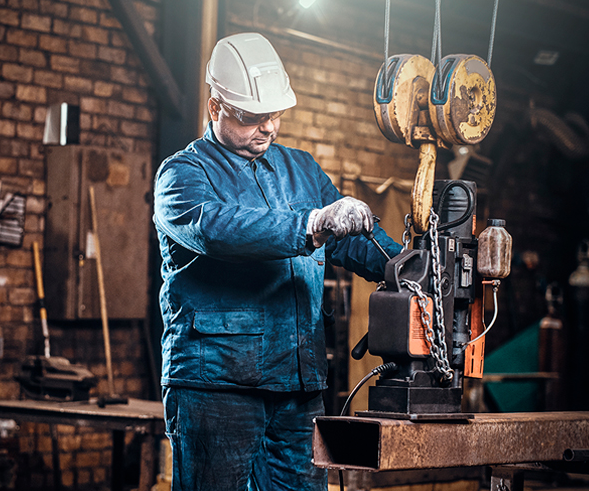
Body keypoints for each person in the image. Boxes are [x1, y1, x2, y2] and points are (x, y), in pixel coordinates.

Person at [152, 32, 402, 491]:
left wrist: (404, 267)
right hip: (218, 388)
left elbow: (349, 242)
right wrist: (311, 225)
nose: (267, 128)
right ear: (215, 108)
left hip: (298, 388)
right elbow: (218, 230)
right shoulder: (182, 176)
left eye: (275, 116)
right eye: (252, 118)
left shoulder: (301, 168)